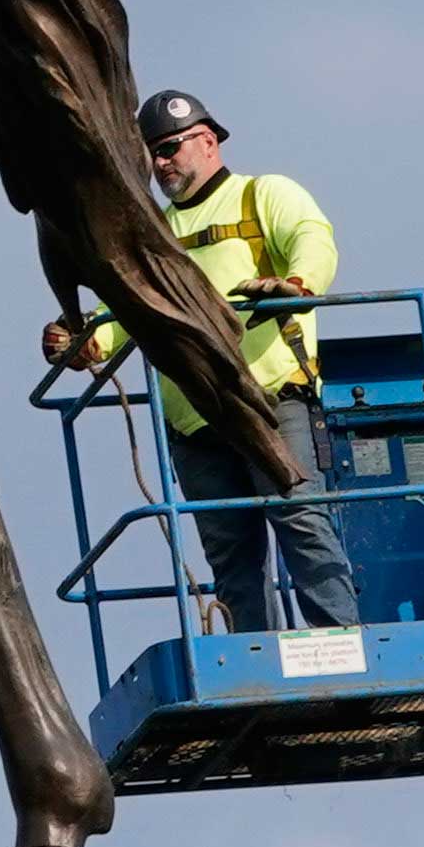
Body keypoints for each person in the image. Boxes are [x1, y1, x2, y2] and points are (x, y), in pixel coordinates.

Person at [44, 90, 355, 635]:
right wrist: (84, 340)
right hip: (193, 419)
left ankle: (345, 647)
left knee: (303, 523)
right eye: (151, 155)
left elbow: (313, 239)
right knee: (229, 550)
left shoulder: (263, 196)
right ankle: (255, 660)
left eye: (170, 148)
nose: (161, 163)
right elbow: (123, 310)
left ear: (208, 140)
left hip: (270, 399)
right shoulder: (149, 234)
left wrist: (297, 285)